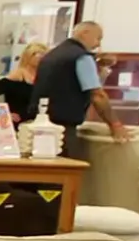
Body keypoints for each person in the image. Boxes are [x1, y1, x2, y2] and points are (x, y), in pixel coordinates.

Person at [33, 20, 130, 155]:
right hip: (64, 127)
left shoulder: (52, 55)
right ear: (85, 33)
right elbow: (97, 96)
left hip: (40, 123)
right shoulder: (82, 57)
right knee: (67, 166)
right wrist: (115, 124)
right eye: (98, 38)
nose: (98, 45)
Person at [0, 41, 47, 122]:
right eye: (36, 54)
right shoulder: (18, 75)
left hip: (36, 121)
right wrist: (3, 113)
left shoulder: (43, 77)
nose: (41, 57)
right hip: (17, 122)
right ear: (28, 57)